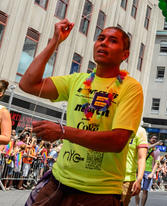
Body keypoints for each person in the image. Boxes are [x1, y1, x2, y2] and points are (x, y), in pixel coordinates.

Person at [19, 20, 144, 205]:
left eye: (112, 40)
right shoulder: (77, 80)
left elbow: (117, 140)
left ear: (125, 54)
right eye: (100, 38)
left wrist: (62, 132)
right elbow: (28, 84)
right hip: (58, 182)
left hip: (99, 192)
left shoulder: (131, 88)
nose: (103, 43)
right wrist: (55, 41)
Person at [123, 126, 148, 206]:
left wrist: (139, 180)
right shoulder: (112, 124)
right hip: (107, 177)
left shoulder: (140, 131)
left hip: (127, 179)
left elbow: (141, 158)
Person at [140, 135, 163, 206]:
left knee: (145, 191)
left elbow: (157, 162)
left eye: (156, 139)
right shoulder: (145, 145)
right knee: (137, 190)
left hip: (148, 172)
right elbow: (147, 148)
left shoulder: (157, 150)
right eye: (153, 138)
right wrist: (156, 144)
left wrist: (152, 173)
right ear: (149, 138)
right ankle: (137, 204)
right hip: (140, 170)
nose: (154, 139)